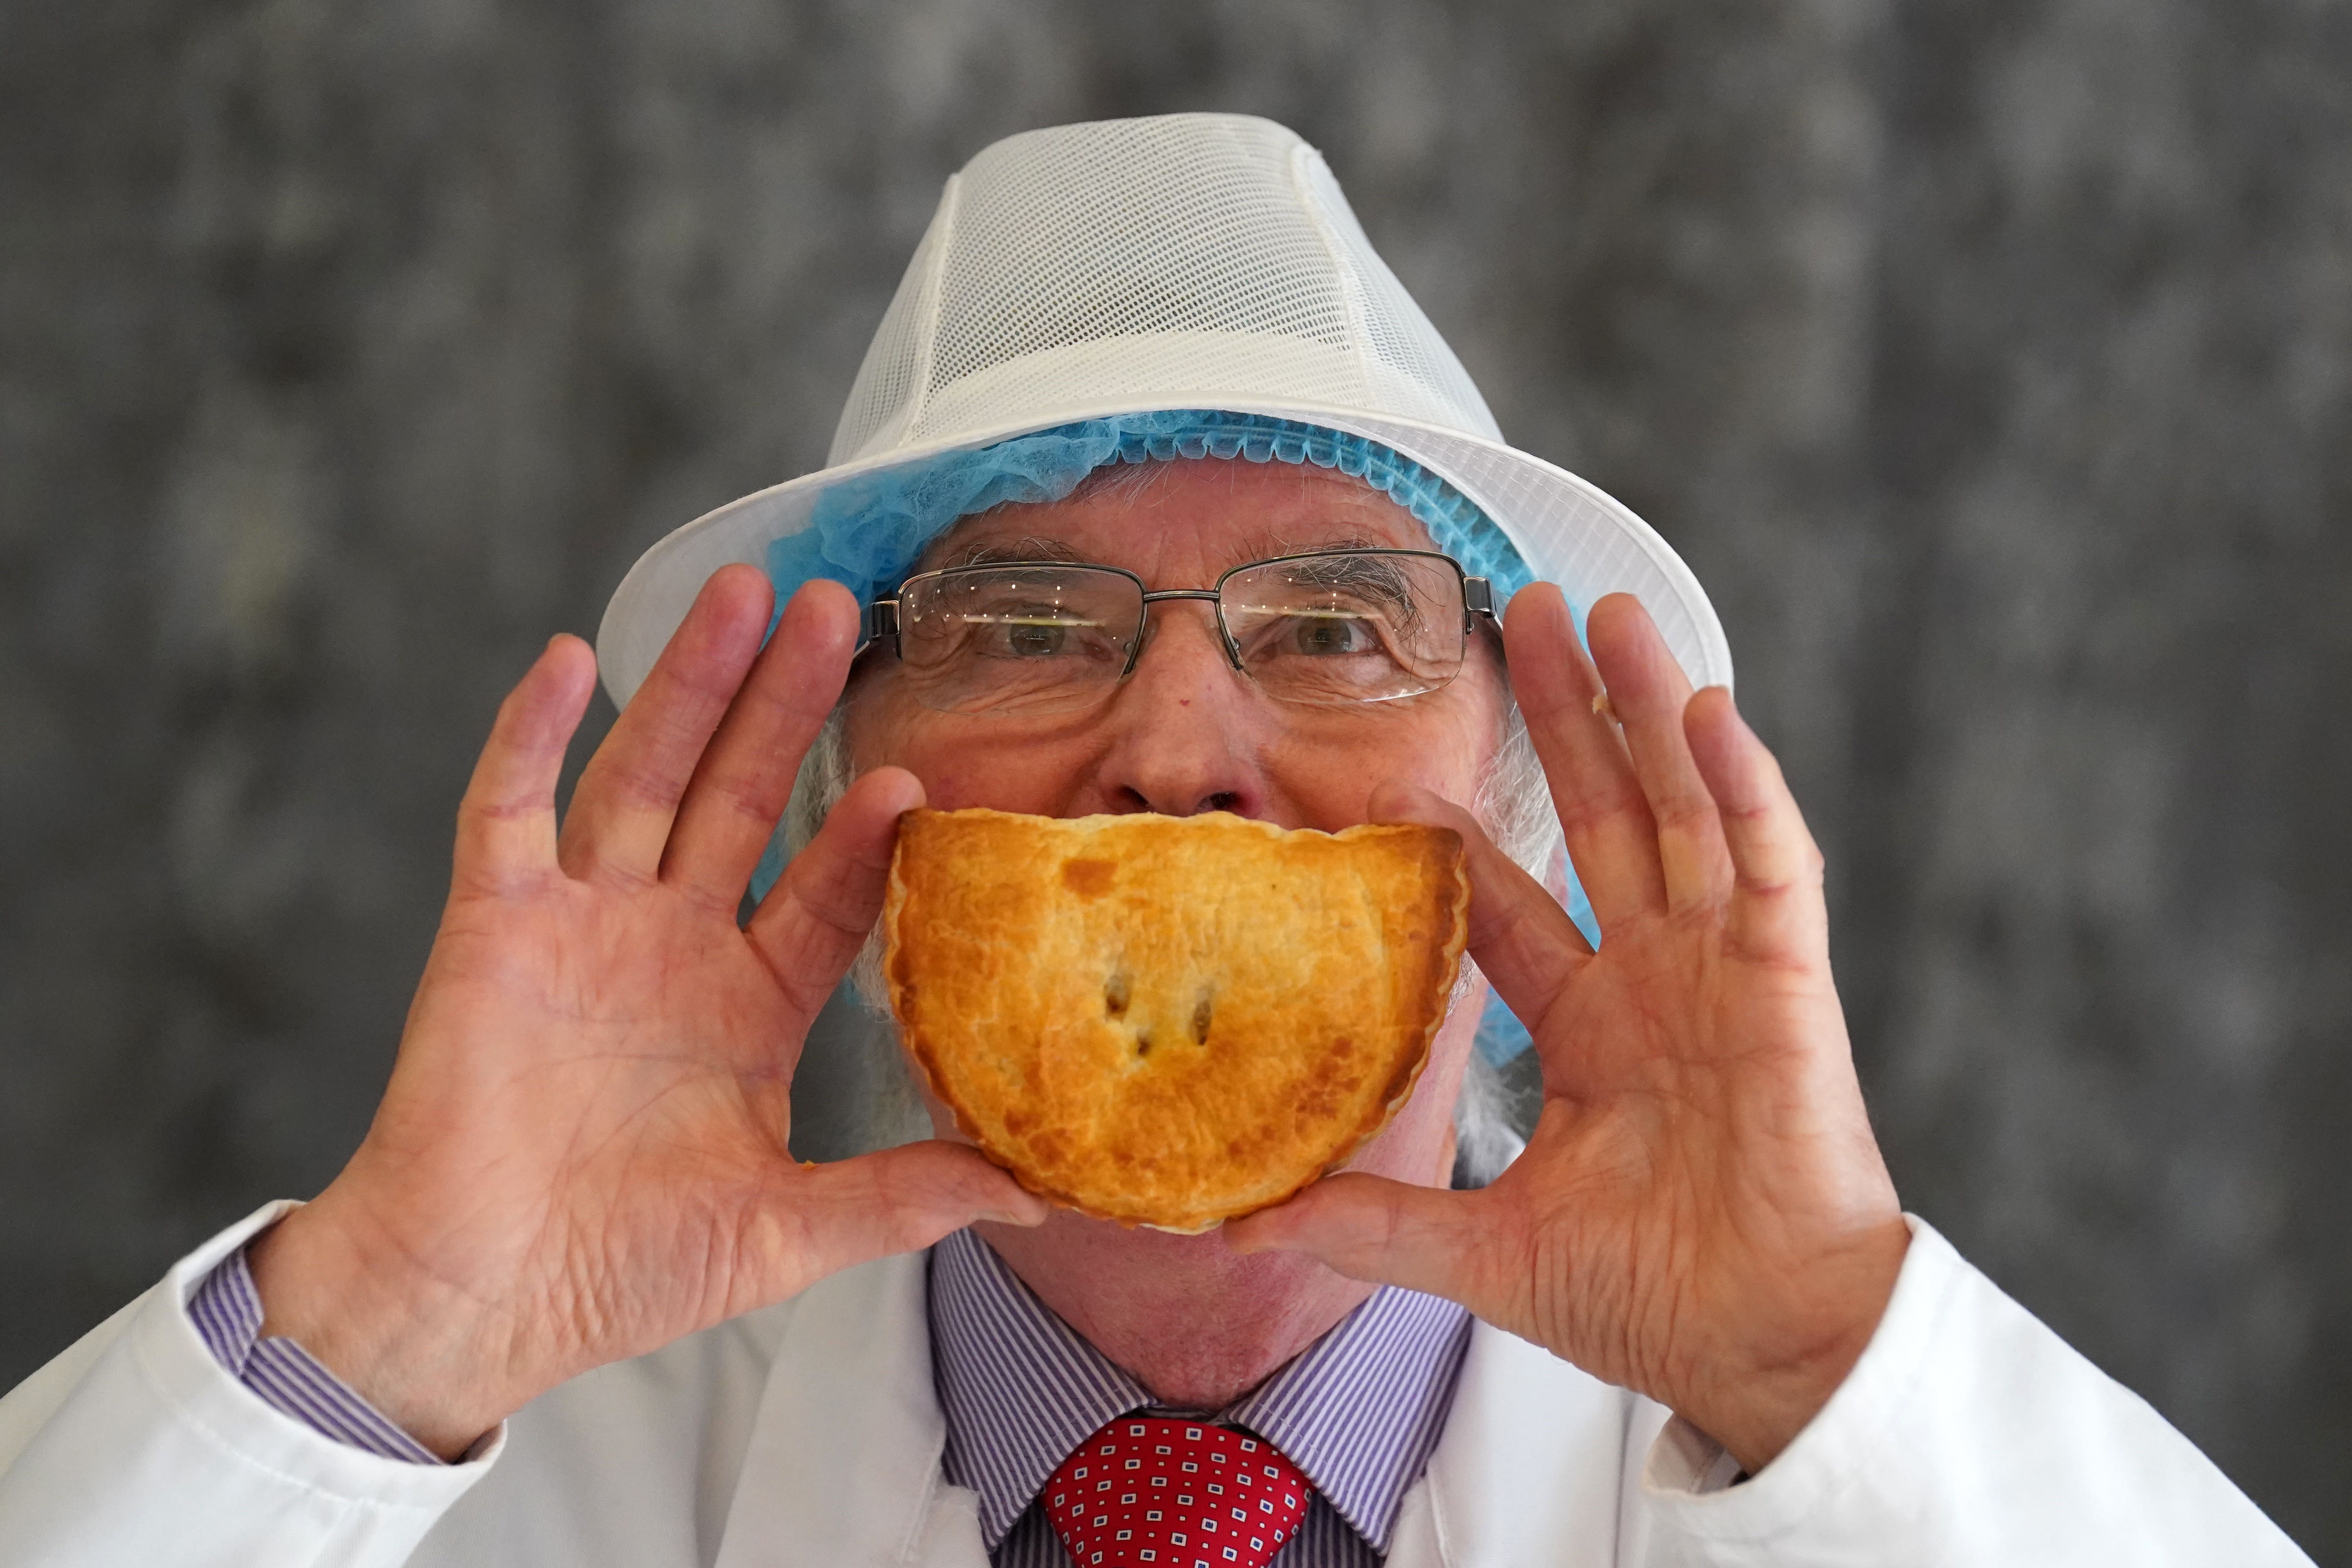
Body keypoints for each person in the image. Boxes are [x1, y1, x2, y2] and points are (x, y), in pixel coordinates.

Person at [0, 113, 2311, 1568]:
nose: (1180, 747)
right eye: (1019, 621)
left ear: (1517, 787)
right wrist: (389, 1319)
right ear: (850, 798)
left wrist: (1824, 1350)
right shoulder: (488, 1468)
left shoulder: (1823, 1460)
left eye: (1333, 624)